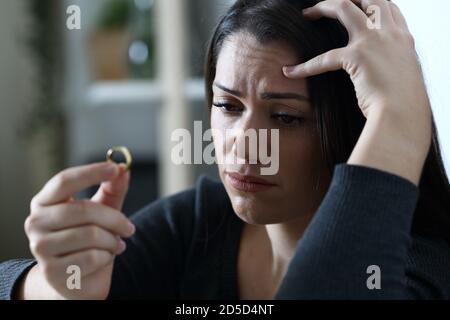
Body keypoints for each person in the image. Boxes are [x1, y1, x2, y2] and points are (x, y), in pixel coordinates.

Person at [1, 0, 450, 300]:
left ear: (357, 126)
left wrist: (398, 120)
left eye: (286, 117)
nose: (242, 142)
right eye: (227, 105)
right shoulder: (200, 222)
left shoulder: (420, 272)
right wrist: (54, 286)